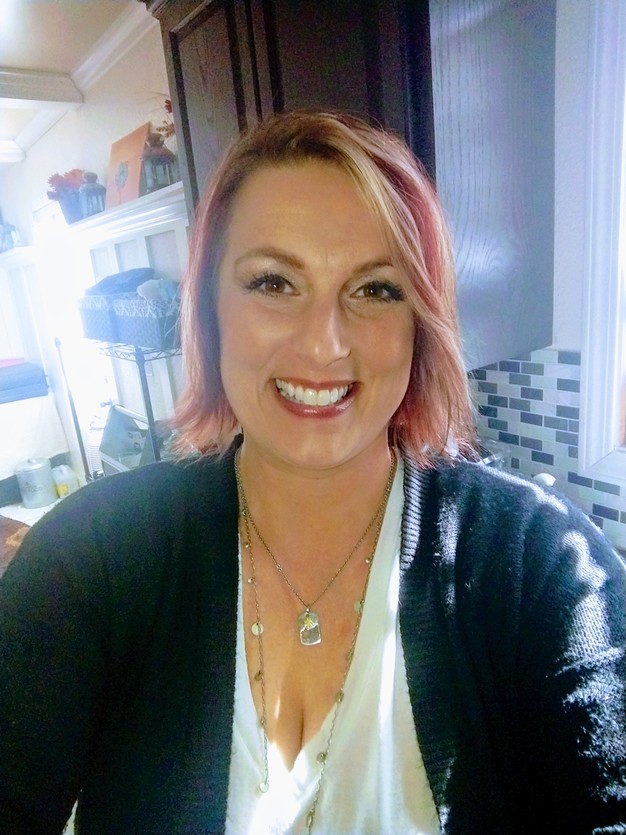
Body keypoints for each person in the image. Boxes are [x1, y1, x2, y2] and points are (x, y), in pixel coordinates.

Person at [0, 110, 624, 835]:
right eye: (273, 282)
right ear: (209, 309)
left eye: (375, 289)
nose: (325, 345)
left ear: (419, 324)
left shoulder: (539, 562)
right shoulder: (94, 556)